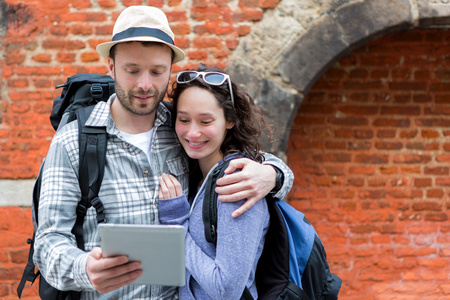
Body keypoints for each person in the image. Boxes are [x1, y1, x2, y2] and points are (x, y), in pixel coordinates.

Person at [33, 5, 293, 300]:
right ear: (111, 67)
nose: (145, 84)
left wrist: (273, 174)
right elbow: (48, 242)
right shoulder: (73, 141)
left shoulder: (182, 128)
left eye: (157, 72)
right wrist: (83, 268)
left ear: (170, 70)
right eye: (132, 71)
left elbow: (236, 155)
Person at [158, 65, 274, 299]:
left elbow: (226, 290)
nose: (192, 133)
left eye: (205, 121)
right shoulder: (198, 173)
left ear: (230, 120)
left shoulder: (236, 182)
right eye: (184, 119)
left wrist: (177, 226)